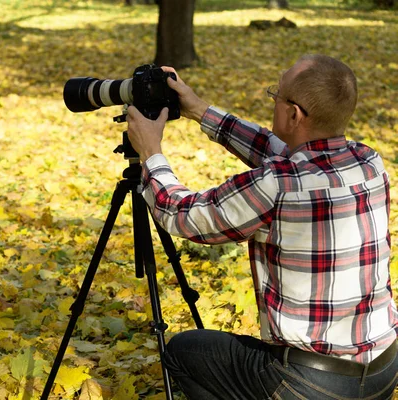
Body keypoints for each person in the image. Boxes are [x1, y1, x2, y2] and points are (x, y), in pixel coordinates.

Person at [126, 54, 398, 399]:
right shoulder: (369, 161)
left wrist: (151, 153)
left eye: (276, 94)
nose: (272, 101)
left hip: (311, 385)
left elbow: (182, 216)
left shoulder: (276, 185)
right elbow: (279, 152)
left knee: (184, 351)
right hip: (384, 370)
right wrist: (198, 109)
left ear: (293, 113)